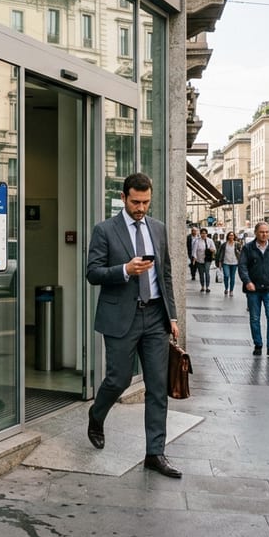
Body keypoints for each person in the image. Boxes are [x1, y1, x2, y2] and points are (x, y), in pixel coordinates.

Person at [85, 173, 182, 479]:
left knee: (156, 387)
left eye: (146, 202)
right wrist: (125, 270)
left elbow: (165, 275)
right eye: (136, 202)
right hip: (120, 317)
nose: (141, 207)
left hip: (155, 317)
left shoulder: (158, 229)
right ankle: (96, 414)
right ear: (124, 197)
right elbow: (93, 273)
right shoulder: (105, 230)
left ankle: (155, 453)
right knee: (118, 379)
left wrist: (173, 317)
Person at [237, 222, 269, 358]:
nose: (265, 234)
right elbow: (242, 267)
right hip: (253, 289)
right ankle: (258, 344)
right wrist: (247, 282)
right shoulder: (248, 248)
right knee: (255, 318)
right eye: (262, 232)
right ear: (256, 233)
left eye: (267, 232)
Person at [190, 228, 215, 293]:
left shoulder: (210, 241)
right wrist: (194, 258)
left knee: (207, 272)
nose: (203, 234)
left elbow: (214, 249)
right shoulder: (197, 241)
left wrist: (211, 250)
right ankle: (202, 286)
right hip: (199, 260)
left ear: (207, 234)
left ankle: (207, 287)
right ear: (200, 234)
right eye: (202, 233)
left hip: (207, 259)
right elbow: (194, 251)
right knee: (201, 274)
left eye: (205, 233)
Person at [219, 230, 243, 296]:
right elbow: (221, 253)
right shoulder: (224, 244)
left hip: (234, 263)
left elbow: (241, 252)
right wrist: (220, 262)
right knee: (226, 275)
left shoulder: (237, 244)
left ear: (234, 236)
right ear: (228, 236)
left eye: (232, 235)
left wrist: (239, 254)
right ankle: (226, 288)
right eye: (230, 235)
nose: (231, 236)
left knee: (232, 277)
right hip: (225, 262)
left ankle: (231, 290)